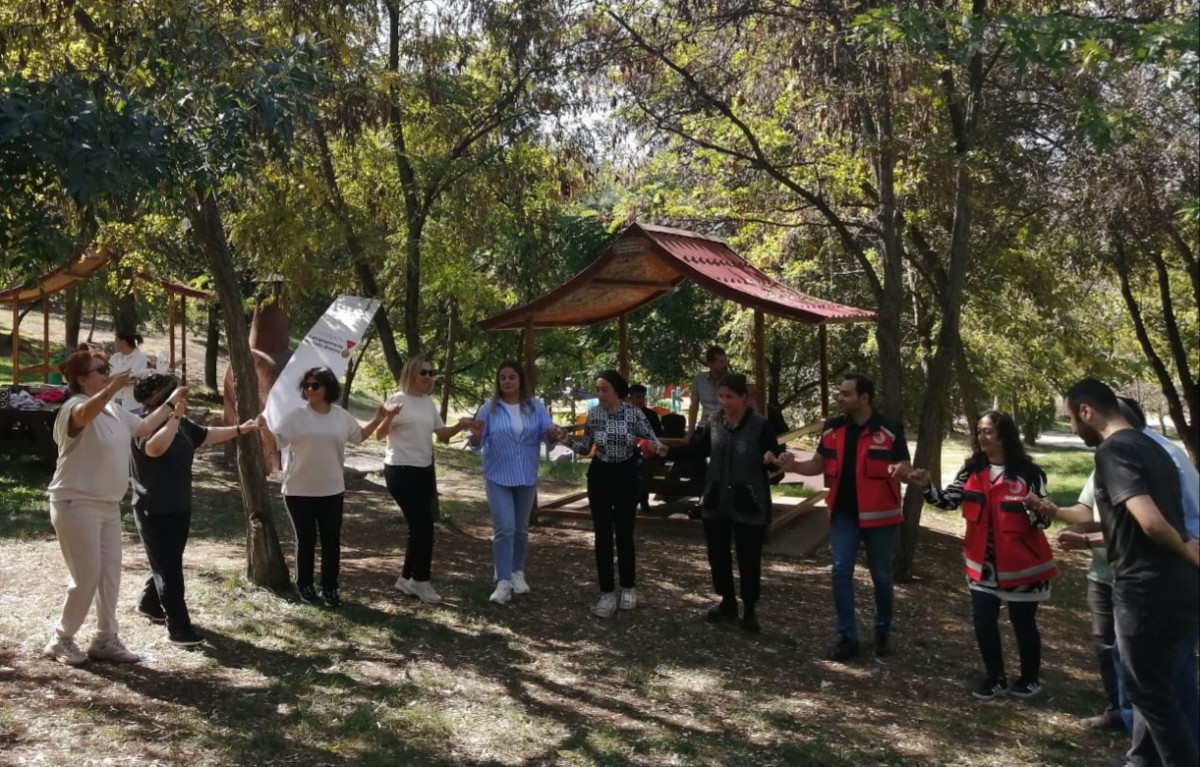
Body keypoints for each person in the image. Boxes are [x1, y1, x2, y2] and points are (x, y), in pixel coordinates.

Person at [1061, 379, 1199, 767]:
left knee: (1151, 695)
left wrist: (1185, 547)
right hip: (1177, 587)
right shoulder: (1154, 449)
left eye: (1071, 419)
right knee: (1162, 689)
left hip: (1145, 590)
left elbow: (1152, 522)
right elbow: (1135, 525)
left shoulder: (1114, 451)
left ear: (1087, 411)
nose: (1072, 428)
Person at [42, 349, 185, 666]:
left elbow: (146, 426)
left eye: (108, 368)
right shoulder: (73, 407)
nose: (107, 372)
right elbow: (82, 417)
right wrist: (112, 387)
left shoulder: (114, 410)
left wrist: (174, 403)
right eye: (100, 369)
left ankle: (106, 639)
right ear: (82, 378)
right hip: (74, 502)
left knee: (109, 577)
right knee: (87, 576)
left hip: (107, 505)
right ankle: (61, 638)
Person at [903, 411, 1056, 700]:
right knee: (983, 621)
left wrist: (1034, 508)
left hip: (1023, 567)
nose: (981, 436)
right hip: (982, 566)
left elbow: (1043, 523)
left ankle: (1029, 679)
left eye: (988, 431)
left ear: (1004, 435)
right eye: (979, 431)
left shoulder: (1029, 474)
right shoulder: (971, 470)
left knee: (1023, 624)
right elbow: (948, 502)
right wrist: (925, 486)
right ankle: (995, 677)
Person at [776, 375, 909, 661]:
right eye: (840, 394)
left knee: (882, 576)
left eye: (846, 394)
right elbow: (816, 465)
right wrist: (794, 465)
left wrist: (909, 473)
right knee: (840, 572)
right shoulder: (832, 429)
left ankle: (882, 631)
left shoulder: (890, 431)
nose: (840, 399)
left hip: (880, 518)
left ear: (865, 398)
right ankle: (848, 637)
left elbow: (903, 467)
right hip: (843, 515)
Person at [130, 373, 259, 645]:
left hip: (179, 504)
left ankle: (149, 604)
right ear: (164, 397)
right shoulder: (144, 424)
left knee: (169, 560)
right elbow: (154, 449)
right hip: (155, 507)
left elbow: (205, 435)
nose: (184, 395)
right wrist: (174, 416)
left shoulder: (182, 422)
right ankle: (178, 629)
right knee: (170, 570)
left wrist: (240, 429)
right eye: (177, 391)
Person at [258, 366, 392, 608]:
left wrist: (379, 418)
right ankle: (305, 585)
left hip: (332, 490)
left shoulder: (340, 416)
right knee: (306, 539)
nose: (309, 389)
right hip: (299, 490)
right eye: (306, 385)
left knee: (331, 541)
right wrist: (264, 430)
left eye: (315, 385)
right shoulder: (296, 416)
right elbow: (275, 442)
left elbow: (359, 436)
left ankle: (330, 588)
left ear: (328, 388)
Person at [665, 374, 784, 632]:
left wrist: (772, 460)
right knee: (717, 555)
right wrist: (668, 450)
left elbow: (776, 464)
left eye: (729, 397)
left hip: (749, 502)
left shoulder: (760, 425)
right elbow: (698, 449)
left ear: (744, 398)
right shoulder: (714, 422)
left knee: (748, 557)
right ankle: (727, 602)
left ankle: (750, 609)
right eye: (721, 396)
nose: (724, 402)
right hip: (716, 500)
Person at [563, 370, 664, 618]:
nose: (599, 394)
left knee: (625, 533)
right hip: (600, 475)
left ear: (617, 391)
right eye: (597, 389)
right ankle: (606, 593)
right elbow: (586, 447)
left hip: (626, 475)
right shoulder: (595, 415)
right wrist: (565, 440)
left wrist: (657, 446)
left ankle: (628, 587)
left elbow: (651, 439)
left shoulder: (633, 413)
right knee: (603, 535)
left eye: (604, 389)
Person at [464, 361, 564, 604]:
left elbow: (547, 433)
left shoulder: (535, 406)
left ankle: (518, 572)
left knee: (520, 528)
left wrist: (552, 434)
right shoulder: (490, 408)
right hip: (497, 474)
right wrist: (476, 435)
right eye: (503, 378)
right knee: (504, 527)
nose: (507, 381)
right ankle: (503, 581)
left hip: (526, 475)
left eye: (511, 377)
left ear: (520, 381)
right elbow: (477, 442)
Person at [376, 355, 469, 605]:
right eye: (423, 373)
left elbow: (442, 435)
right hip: (400, 471)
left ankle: (406, 578)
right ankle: (421, 580)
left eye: (431, 372)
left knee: (417, 526)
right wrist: (387, 416)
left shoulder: (428, 403)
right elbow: (379, 434)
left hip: (424, 470)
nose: (428, 377)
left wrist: (461, 425)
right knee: (424, 525)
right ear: (411, 374)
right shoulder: (397, 400)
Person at [687, 346, 729, 437]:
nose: (725, 365)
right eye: (721, 362)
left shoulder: (731, 380)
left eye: (726, 361)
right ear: (710, 364)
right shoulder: (699, 379)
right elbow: (693, 405)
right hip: (704, 426)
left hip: (725, 427)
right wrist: (691, 431)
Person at [109, 330, 149, 412]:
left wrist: (116, 378)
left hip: (132, 404)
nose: (114, 343)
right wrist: (125, 374)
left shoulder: (140, 357)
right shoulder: (115, 357)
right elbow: (108, 378)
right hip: (114, 401)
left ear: (123, 342)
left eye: (116, 340)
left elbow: (133, 380)